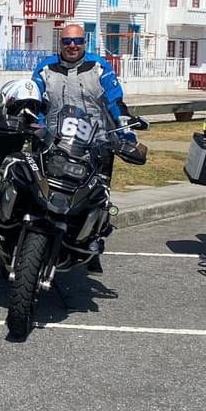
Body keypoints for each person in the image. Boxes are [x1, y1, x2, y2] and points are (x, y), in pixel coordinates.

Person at [29, 23, 136, 273]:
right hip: (54, 142)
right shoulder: (45, 68)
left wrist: (125, 132)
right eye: (67, 42)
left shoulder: (99, 67)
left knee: (99, 196)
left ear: (84, 43)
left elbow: (115, 100)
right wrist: (35, 126)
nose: (72, 46)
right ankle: (26, 244)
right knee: (38, 192)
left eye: (77, 41)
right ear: (60, 43)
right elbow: (36, 101)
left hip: (95, 144)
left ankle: (91, 244)